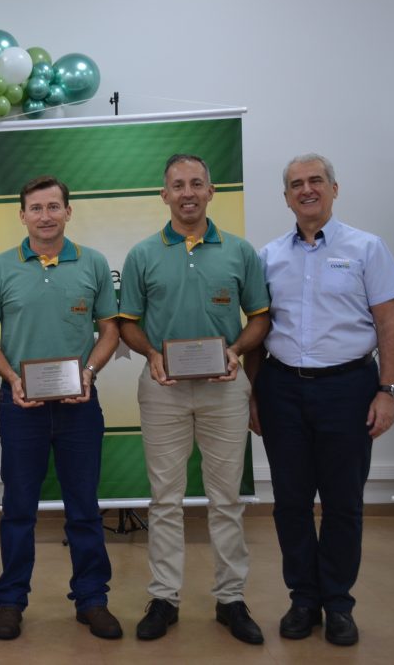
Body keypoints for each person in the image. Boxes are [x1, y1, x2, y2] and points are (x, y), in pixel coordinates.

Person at [247, 154, 394, 646]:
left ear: (334, 189)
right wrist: (255, 394)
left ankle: (338, 602)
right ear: (286, 196)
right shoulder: (268, 256)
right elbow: (258, 330)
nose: (307, 189)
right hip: (282, 390)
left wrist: (388, 390)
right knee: (290, 503)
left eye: (316, 181)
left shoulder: (367, 248)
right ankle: (303, 599)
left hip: (349, 388)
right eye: (296, 184)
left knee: (342, 504)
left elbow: (389, 325)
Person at [117, 154, 270, 645]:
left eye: (196, 184)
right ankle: (165, 597)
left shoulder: (240, 252)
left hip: (225, 390)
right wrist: (151, 354)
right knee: (165, 499)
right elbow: (128, 323)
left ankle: (231, 599)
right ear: (164, 195)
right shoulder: (143, 255)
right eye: (178, 185)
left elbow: (261, 319)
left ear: (210, 192)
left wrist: (236, 350)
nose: (187, 192)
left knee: (227, 499)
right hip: (163, 390)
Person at [0, 175, 123, 641]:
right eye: (36, 208)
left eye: (54, 207)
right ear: (22, 215)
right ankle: (11, 600)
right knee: (18, 508)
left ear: (68, 212)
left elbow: (110, 331)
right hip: (20, 405)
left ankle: (92, 599)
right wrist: (12, 378)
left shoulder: (93, 263)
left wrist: (90, 372)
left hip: (80, 406)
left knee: (84, 508)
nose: (45, 216)